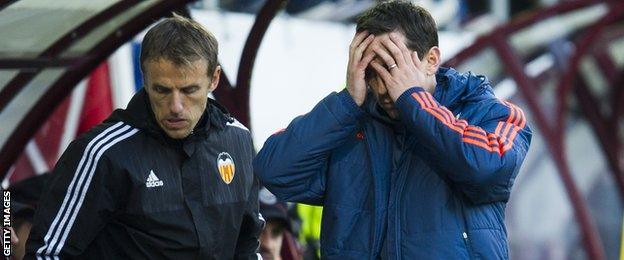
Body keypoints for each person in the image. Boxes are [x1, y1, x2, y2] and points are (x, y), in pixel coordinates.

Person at [253, 1, 532, 259]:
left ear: (432, 59)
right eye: (371, 73)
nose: (383, 87)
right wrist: (347, 102)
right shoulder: (351, 122)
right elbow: (274, 171)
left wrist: (414, 102)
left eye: (392, 67)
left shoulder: (493, 112)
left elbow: (487, 168)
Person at [26, 14, 263, 259]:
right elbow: (46, 253)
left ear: (214, 79)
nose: (176, 106)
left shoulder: (238, 140)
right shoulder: (102, 153)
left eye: (189, 90)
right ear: (146, 80)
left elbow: (247, 245)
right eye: (162, 90)